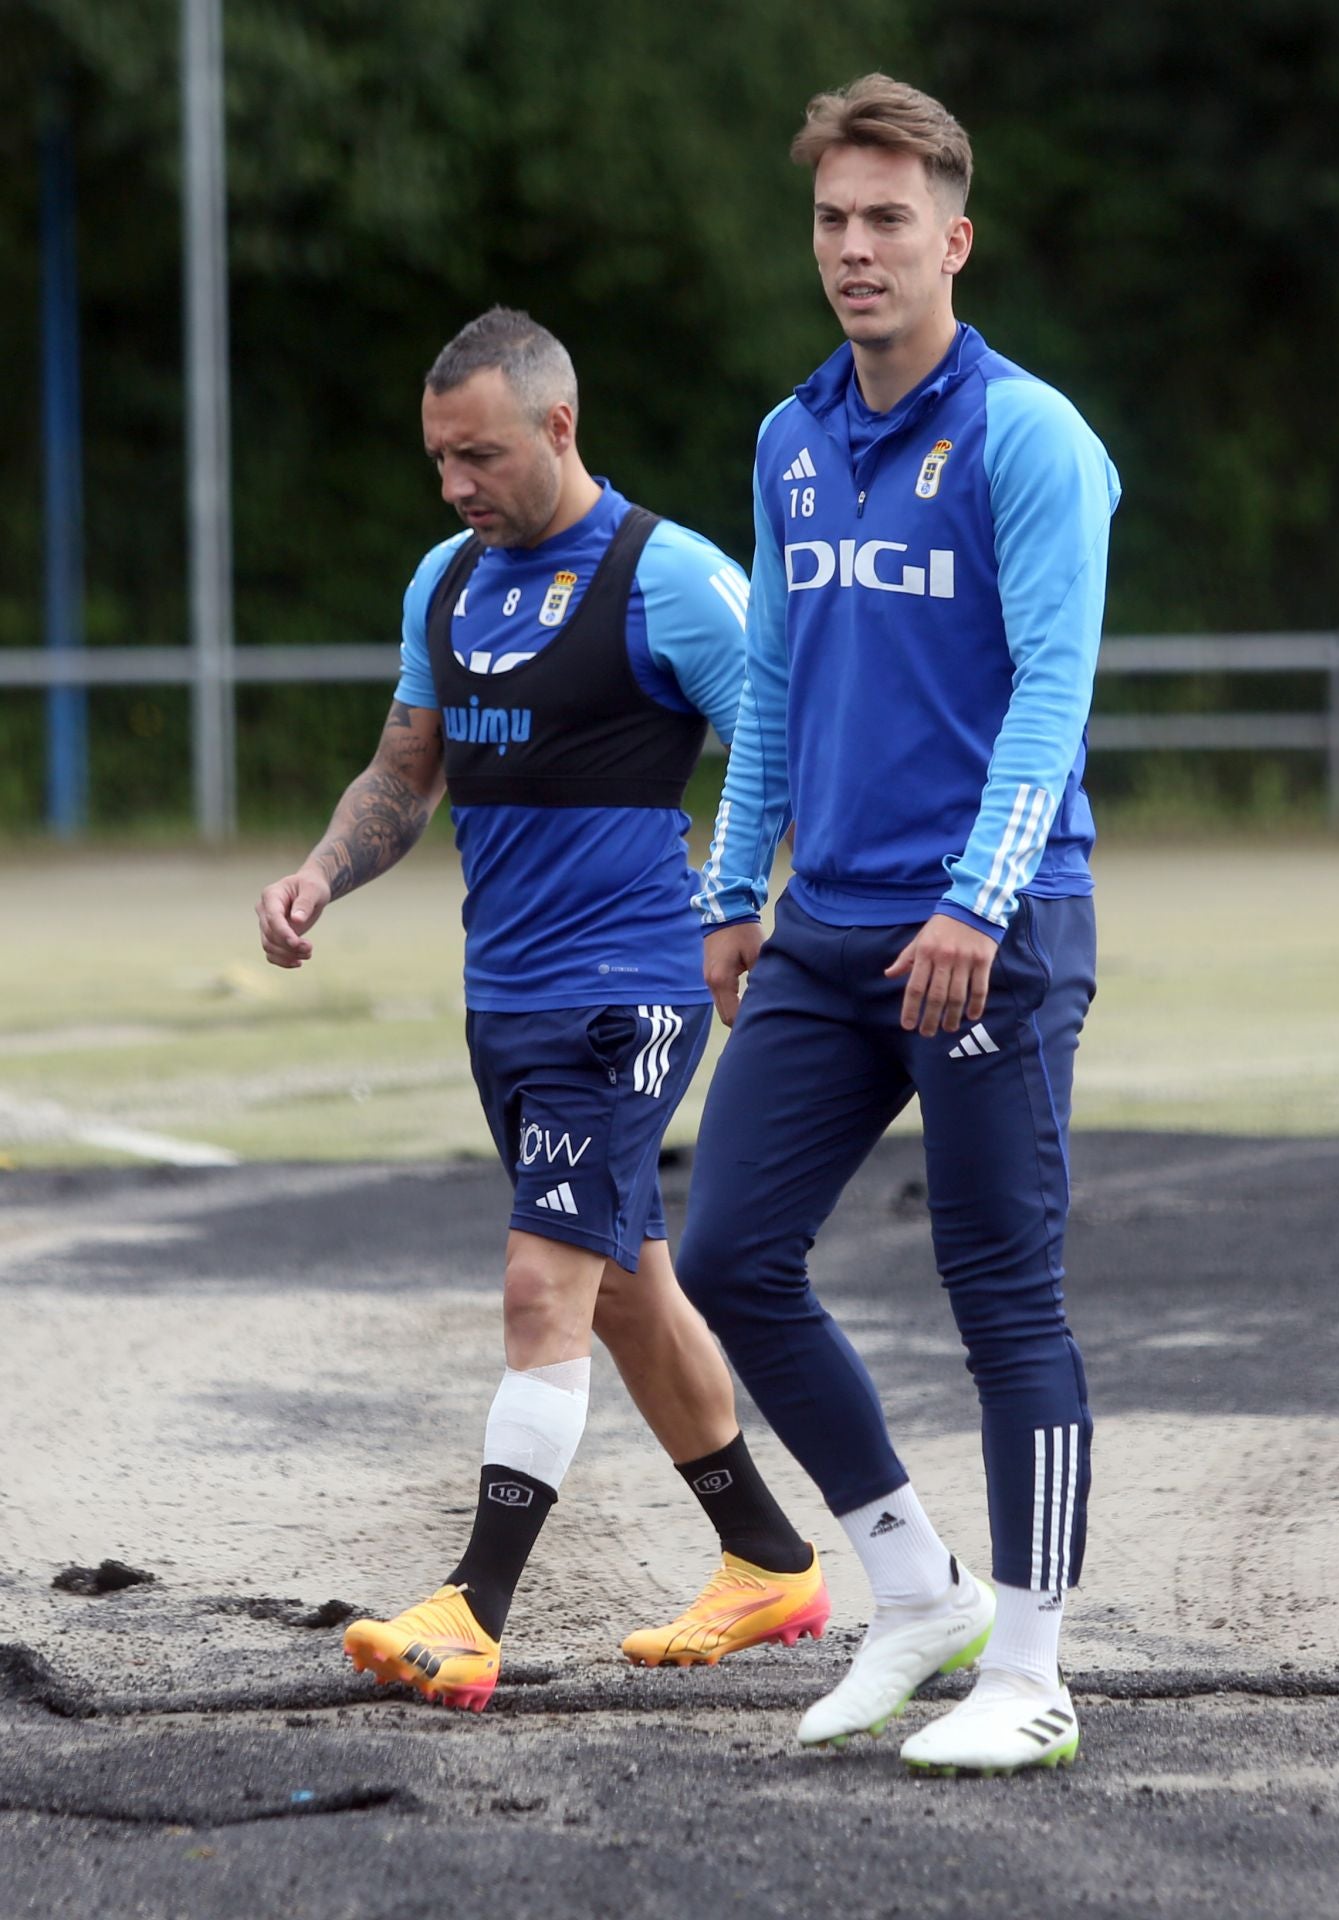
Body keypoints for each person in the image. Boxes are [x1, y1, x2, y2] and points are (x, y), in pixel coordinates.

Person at [255, 308, 827, 1712]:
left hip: (624, 989)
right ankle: (765, 1559)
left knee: (540, 1285)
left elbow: (795, 738)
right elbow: (406, 767)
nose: (455, 483)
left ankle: (474, 1606)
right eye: (439, 457)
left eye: (480, 454)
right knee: (625, 1285)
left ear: (559, 427)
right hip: (500, 992)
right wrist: (324, 871)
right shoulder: (444, 582)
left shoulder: (670, 577)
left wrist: (755, 907)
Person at [676, 76, 1120, 1775]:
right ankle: (908, 1589)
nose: (852, 249)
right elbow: (774, 682)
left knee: (1000, 1293)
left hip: (990, 927)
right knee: (726, 1255)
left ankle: (1032, 1666)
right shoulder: (791, 437)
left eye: (884, 221)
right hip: (825, 931)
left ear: (953, 236)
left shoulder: (1026, 435)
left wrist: (972, 904)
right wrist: (733, 891)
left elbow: (1052, 694)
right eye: (829, 220)